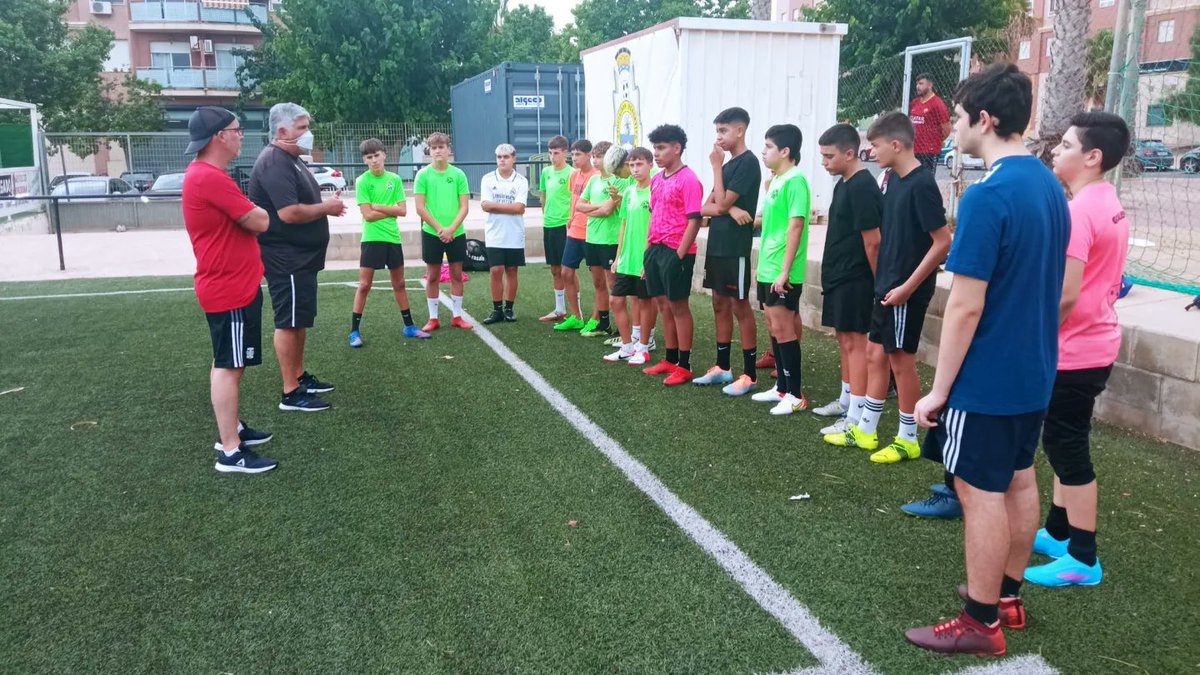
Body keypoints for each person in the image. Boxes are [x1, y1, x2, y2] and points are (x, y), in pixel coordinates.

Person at [906, 63, 1070, 657]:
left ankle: (980, 621)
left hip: (989, 375)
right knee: (1020, 480)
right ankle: (1006, 598)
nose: (953, 125)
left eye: (960, 113)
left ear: (986, 118)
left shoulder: (989, 193)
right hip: (1034, 370)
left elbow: (965, 307)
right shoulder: (1051, 186)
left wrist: (938, 390)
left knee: (980, 491)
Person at [1023, 111, 1131, 588]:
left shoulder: (1081, 210)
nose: (1055, 151)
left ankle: (1083, 558)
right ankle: (1058, 532)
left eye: (1066, 145)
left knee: (1068, 447)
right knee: (1062, 437)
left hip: (1077, 349)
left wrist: (1037, 337)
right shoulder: (1107, 200)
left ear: (1093, 156)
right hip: (1094, 342)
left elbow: (1065, 294)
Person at [823, 112, 950, 464]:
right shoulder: (892, 180)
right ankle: (865, 429)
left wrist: (909, 287)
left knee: (901, 361)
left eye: (875, 146)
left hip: (905, 289)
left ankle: (907, 437)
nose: (870, 152)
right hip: (887, 286)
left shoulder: (922, 184)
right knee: (874, 354)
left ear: (896, 145)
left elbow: (942, 242)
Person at [182, 106, 277, 473]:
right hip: (229, 288)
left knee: (230, 363)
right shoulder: (209, 178)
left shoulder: (206, 175)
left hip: (232, 285)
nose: (241, 136)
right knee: (228, 365)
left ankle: (232, 429)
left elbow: (252, 218)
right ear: (220, 136)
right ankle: (230, 450)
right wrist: (254, 213)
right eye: (237, 130)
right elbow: (260, 220)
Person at [249, 102, 345, 413]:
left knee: (298, 320)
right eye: (302, 128)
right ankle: (291, 392)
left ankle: (299, 376)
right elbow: (289, 213)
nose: (308, 134)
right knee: (288, 322)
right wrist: (326, 208)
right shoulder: (274, 162)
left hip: (301, 258)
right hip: (286, 259)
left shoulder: (292, 159)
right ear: (282, 131)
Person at [813, 124, 882, 436]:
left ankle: (856, 415)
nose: (825, 162)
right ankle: (845, 400)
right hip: (839, 274)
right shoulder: (844, 183)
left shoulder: (863, 186)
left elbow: (873, 241)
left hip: (857, 277)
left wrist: (878, 281)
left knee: (856, 342)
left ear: (850, 153)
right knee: (844, 338)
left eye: (829, 156)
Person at [695, 107, 762, 396]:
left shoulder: (747, 163)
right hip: (717, 246)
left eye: (723, 131)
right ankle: (723, 367)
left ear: (739, 131)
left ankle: (750, 375)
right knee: (719, 303)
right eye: (716, 131)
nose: (718, 137)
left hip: (735, 248)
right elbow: (704, 207)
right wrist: (730, 208)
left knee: (739, 306)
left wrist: (715, 169)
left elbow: (717, 205)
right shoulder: (728, 165)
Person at [746, 124, 810, 416]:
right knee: (773, 324)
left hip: (782, 269)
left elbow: (796, 225)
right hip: (769, 267)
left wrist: (785, 271)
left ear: (785, 152)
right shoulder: (777, 181)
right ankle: (782, 387)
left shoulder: (795, 180)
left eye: (769, 146)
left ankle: (795, 394)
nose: (763, 151)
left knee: (783, 328)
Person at [350, 138, 431, 347]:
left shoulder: (394, 179)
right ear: (364, 160)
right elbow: (367, 215)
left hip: (392, 238)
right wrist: (388, 210)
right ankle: (354, 332)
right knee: (365, 284)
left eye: (377, 155)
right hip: (371, 239)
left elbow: (402, 211)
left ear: (384, 155)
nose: (374, 160)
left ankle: (409, 326)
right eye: (369, 157)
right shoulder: (362, 181)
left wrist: (378, 206)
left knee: (400, 283)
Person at [641, 124, 704, 386]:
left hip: (676, 252)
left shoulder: (689, 179)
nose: (656, 153)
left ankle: (685, 364)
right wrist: (647, 253)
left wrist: (679, 255)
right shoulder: (656, 179)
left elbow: (695, 220)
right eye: (655, 148)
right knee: (663, 305)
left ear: (677, 148)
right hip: (655, 249)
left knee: (678, 306)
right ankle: (670, 358)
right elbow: (654, 216)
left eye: (661, 148)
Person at [415, 132, 472, 331]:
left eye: (441, 147)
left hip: (456, 232)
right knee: (432, 276)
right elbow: (420, 208)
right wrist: (440, 229)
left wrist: (451, 229)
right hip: (432, 233)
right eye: (434, 148)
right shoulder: (423, 175)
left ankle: (457, 316)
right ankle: (433, 318)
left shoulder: (458, 175)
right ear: (430, 151)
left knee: (457, 275)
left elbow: (464, 206)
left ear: (449, 149)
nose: (438, 151)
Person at [575, 141, 632, 337]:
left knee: (613, 284)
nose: (596, 161)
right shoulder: (593, 181)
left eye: (600, 157)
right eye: (594, 157)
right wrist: (597, 208)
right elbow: (579, 207)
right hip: (592, 238)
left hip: (610, 240)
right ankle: (604, 324)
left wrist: (594, 208)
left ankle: (620, 329)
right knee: (598, 283)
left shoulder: (621, 181)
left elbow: (609, 210)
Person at [604, 146, 655, 363]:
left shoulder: (655, 191)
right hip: (626, 258)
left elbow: (655, 227)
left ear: (650, 165)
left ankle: (643, 347)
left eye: (639, 164)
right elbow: (623, 225)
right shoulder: (630, 192)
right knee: (616, 300)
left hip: (645, 258)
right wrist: (617, 257)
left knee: (645, 302)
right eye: (631, 165)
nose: (634, 169)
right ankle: (627, 347)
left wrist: (648, 258)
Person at [480, 143, 529, 325]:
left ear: (513, 159)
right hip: (494, 233)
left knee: (511, 270)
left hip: (514, 234)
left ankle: (508, 308)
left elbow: (520, 208)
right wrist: (511, 208)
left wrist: (496, 206)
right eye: (499, 157)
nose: (502, 160)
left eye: (506, 157)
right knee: (495, 270)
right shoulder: (487, 179)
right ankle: (497, 309)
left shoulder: (521, 181)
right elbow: (485, 205)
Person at [553, 139, 597, 332]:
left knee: (598, 279)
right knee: (566, 272)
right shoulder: (574, 175)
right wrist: (571, 217)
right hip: (574, 231)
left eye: (578, 154)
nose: (575, 158)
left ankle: (597, 318)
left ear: (589, 155)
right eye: (573, 154)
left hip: (593, 233)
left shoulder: (596, 177)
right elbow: (574, 197)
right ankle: (576, 316)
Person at [535, 135, 573, 322]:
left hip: (564, 225)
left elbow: (576, 200)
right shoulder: (546, 172)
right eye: (550, 153)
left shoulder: (572, 173)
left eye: (556, 153)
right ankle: (560, 309)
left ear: (565, 152)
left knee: (568, 269)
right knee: (555, 269)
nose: (552, 156)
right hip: (549, 224)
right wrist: (545, 215)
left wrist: (570, 219)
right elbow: (543, 196)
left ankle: (576, 311)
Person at [910, 73, 951, 174]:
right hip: (914, 150)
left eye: (921, 83)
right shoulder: (915, 103)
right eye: (917, 84)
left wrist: (933, 141)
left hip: (929, 152)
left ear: (929, 85)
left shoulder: (937, 103)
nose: (917, 87)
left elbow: (946, 129)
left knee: (926, 181)